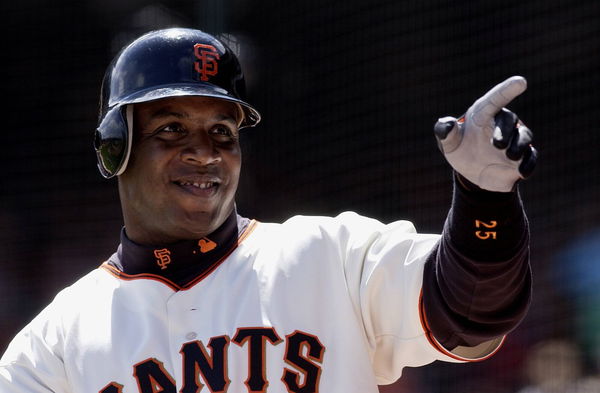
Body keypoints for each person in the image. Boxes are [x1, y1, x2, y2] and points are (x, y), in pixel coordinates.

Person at [0, 27, 537, 393]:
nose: (204, 153)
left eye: (222, 133)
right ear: (115, 148)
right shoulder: (54, 344)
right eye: (171, 130)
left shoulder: (328, 254)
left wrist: (484, 200)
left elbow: (473, 315)